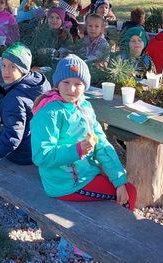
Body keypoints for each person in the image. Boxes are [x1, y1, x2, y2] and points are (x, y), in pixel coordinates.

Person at [31, 55, 137, 210]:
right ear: (57, 84)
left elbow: (101, 144)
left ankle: (100, 229)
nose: (72, 89)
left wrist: (119, 179)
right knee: (130, 194)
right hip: (65, 183)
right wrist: (78, 150)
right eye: (66, 82)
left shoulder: (84, 106)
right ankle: (111, 233)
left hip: (84, 173)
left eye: (78, 84)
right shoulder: (49, 113)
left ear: (85, 86)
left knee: (124, 188)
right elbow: (41, 155)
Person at [0, 43, 50, 171]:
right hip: (38, 145)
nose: (6, 71)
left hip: (23, 154)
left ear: (23, 68)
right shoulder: (38, 82)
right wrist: (1, 114)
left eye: (13, 67)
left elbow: (11, 139)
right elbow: (26, 110)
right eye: (4, 65)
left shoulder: (14, 98)